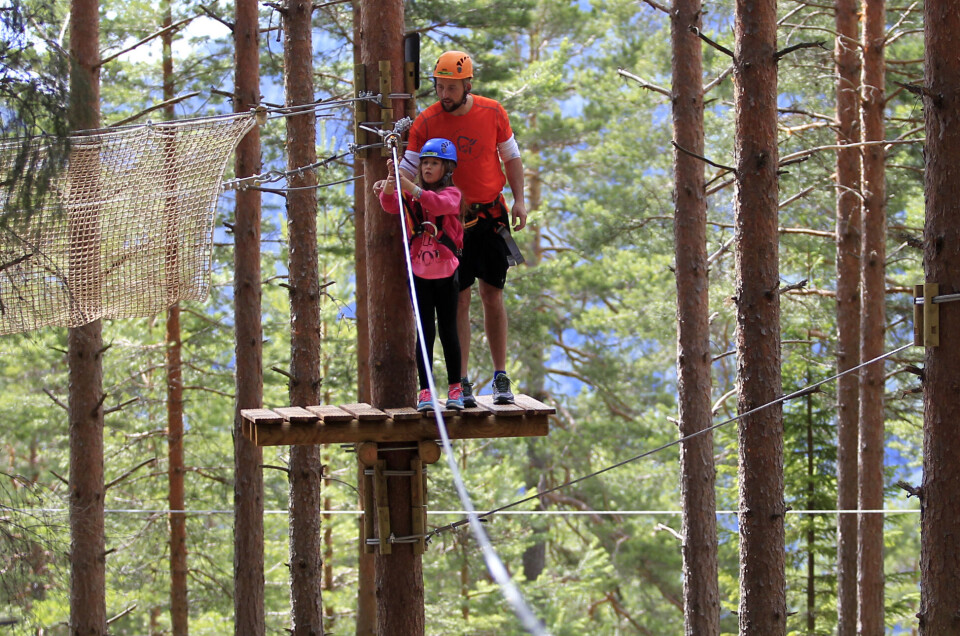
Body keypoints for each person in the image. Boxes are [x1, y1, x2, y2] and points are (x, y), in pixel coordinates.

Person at [400, 50, 527, 406]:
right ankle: (463, 380)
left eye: (452, 88)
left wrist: (519, 199)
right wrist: (394, 188)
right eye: (440, 86)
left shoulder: (492, 112)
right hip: (449, 224)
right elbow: (409, 167)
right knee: (459, 299)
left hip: (490, 216)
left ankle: (500, 376)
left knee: (493, 294)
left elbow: (511, 156)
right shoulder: (426, 121)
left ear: (468, 85)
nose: (444, 94)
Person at [375, 137, 466, 411]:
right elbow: (389, 204)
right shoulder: (410, 194)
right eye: (424, 162)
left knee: (448, 330)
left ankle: (455, 388)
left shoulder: (452, 195)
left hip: (446, 272)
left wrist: (408, 185)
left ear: (446, 169)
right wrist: (392, 180)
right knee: (424, 332)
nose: (427, 168)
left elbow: (437, 205)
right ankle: (425, 391)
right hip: (419, 273)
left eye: (434, 163)